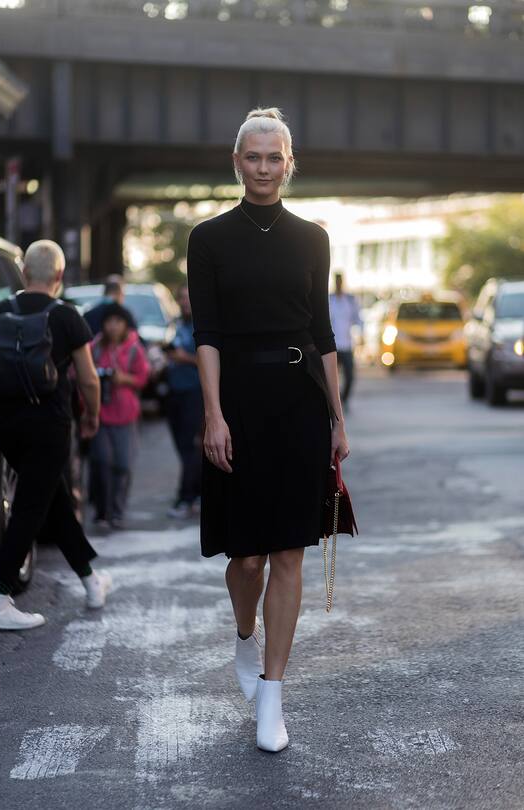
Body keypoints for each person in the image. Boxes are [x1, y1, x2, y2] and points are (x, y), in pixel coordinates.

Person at [187, 107, 349, 753]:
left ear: (289, 163)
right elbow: (207, 335)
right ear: (237, 163)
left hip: (300, 403)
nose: (263, 167)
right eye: (252, 157)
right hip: (240, 404)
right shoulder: (209, 237)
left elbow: (323, 334)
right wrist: (213, 413)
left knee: (289, 551)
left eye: (273, 157)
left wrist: (337, 419)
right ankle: (245, 636)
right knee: (246, 556)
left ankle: (273, 697)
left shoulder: (313, 236)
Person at [0, 240, 111, 631]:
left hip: (5, 424)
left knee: (50, 498)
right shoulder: (68, 317)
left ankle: (91, 581)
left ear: (24, 274)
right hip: (49, 425)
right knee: (31, 508)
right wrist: (92, 416)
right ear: (58, 276)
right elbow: (88, 379)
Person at [90, 303, 149, 531]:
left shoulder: (134, 348)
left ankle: (117, 511)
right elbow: (80, 373)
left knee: (123, 465)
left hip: (126, 416)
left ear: (125, 324)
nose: (113, 326)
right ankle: (102, 512)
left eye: (118, 322)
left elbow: (143, 378)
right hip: (100, 414)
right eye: (109, 322)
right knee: (102, 463)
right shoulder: (95, 347)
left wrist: (123, 379)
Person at [166, 285, 203, 520]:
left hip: (194, 392)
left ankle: (186, 497)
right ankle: (196, 491)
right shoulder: (176, 324)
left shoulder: (202, 326)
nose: (185, 302)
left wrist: (184, 358)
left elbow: (208, 360)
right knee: (182, 446)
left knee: (190, 445)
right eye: (182, 298)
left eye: (189, 298)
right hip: (174, 392)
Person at [329, 272, 362, 406]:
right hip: (332, 345)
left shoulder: (350, 300)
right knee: (331, 376)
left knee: (350, 376)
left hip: (347, 344)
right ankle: (333, 400)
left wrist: (361, 334)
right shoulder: (329, 299)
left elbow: (358, 319)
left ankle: (344, 399)